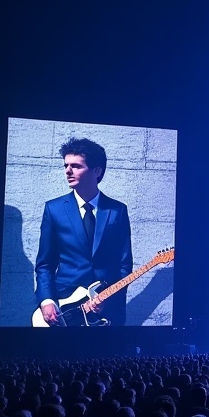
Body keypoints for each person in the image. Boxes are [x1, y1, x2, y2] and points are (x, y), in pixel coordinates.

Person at [35, 137, 133, 327]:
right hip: (66, 309)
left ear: (97, 171)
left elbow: (124, 264)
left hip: (108, 309)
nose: (68, 171)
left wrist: (109, 297)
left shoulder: (117, 210)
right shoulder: (53, 209)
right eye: (66, 165)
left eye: (76, 166)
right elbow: (45, 264)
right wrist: (46, 300)